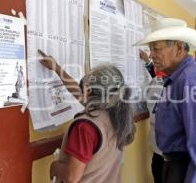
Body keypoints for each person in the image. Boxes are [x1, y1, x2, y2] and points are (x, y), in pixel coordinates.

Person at [134, 18, 196, 183]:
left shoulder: (191, 80)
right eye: (150, 49)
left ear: (178, 48)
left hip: (188, 168)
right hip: (180, 165)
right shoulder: (180, 77)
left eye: (156, 48)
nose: (151, 54)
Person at [38, 50, 135, 183]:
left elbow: (71, 176)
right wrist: (57, 68)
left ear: (88, 91)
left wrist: (54, 167)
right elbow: (80, 95)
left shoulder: (85, 126)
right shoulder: (115, 114)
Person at [139, 49, 165, 183]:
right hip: (157, 147)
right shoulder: (157, 80)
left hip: (173, 153)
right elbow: (155, 74)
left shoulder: (180, 84)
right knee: (156, 172)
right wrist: (147, 61)